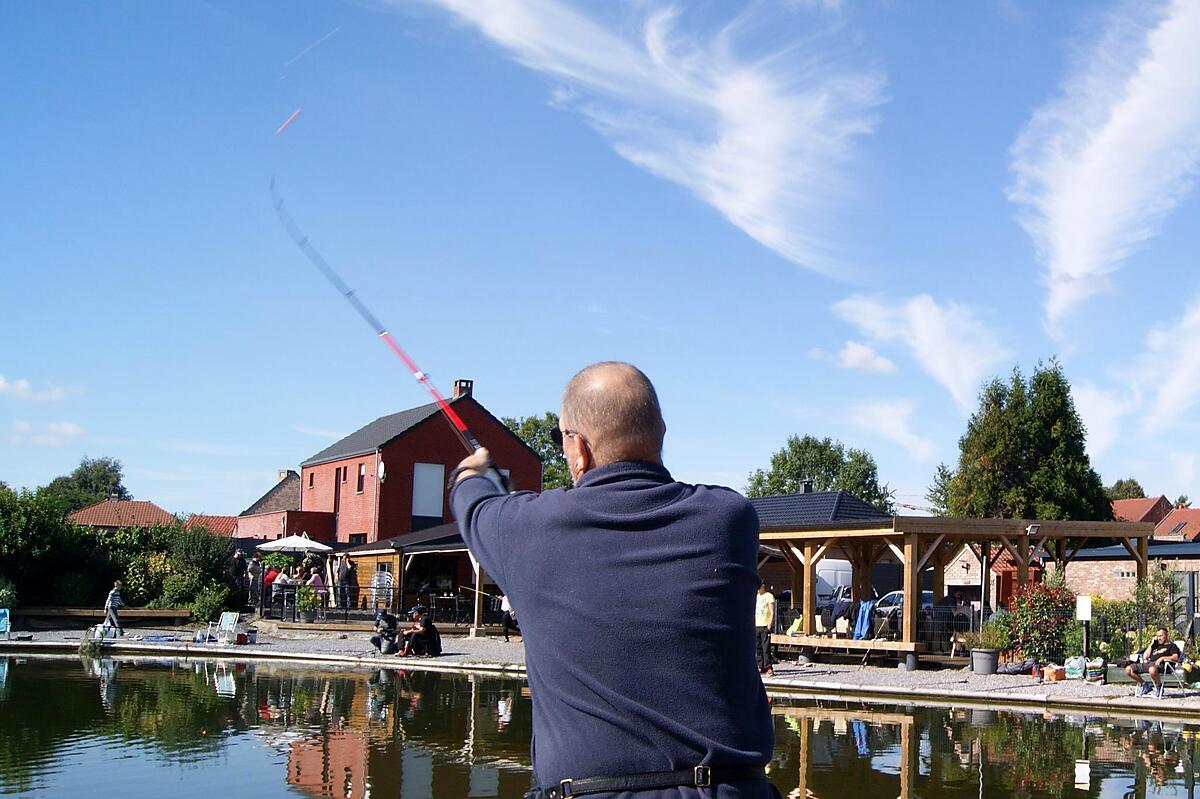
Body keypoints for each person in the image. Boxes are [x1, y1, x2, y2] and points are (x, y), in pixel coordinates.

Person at [450, 362, 776, 799]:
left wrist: (472, 472)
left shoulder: (527, 528)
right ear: (658, 435)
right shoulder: (729, 518)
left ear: (579, 449)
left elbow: (473, 506)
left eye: (560, 439)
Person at [1126, 627, 1181, 698]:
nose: (1159, 638)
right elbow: (1145, 657)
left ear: (1167, 635)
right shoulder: (1155, 646)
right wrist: (1152, 644)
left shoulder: (1172, 646)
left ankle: (1159, 687)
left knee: (1152, 669)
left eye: (1161, 636)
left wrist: (1162, 658)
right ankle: (1144, 685)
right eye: (1158, 636)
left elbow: (1176, 657)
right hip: (1150, 664)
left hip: (1163, 665)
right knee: (1128, 669)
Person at [755, 580, 776, 676]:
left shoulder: (769, 596)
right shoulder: (755, 597)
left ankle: (768, 667)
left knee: (766, 647)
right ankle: (760, 665)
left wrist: (769, 625)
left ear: (763, 586)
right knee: (757, 647)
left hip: (765, 625)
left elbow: (772, 611)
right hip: (756, 625)